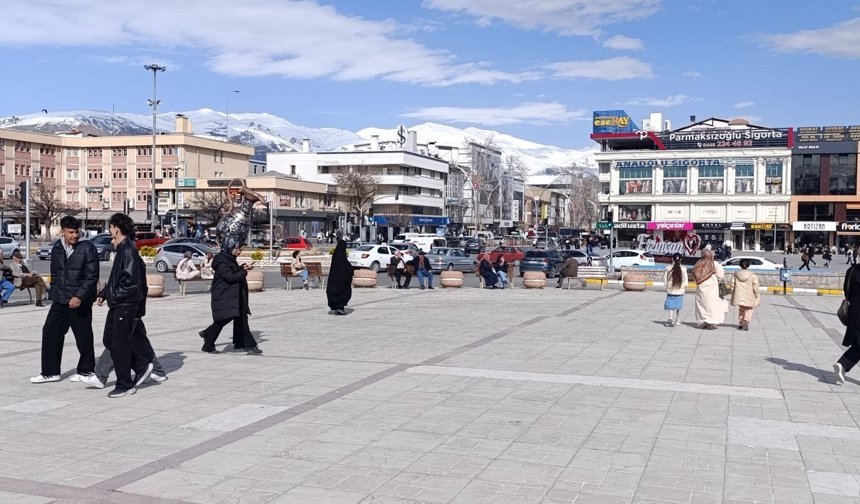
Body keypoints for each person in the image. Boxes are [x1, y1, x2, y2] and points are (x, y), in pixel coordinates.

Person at [31, 216, 100, 385]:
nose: (75, 235)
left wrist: (79, 296)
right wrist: (52, 291)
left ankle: (86, 371)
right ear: (62, 231)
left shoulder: (87, 248)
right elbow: (56, 274)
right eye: (71, 232)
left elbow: (91, 277)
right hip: (60, 300)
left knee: (83, 336)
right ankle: (50, 372)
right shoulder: (57, 248)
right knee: (50, 333)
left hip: (79, 301)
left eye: (77, 232)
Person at [97, 213, 156, 397]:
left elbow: (131, 283)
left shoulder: (129, 251)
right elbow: (117, 279)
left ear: (116, 228)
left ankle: (125, 383)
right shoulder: (122, 249)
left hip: (125, 304)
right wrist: (104, 294)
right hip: (118, 303)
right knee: (109, 339)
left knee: (119, 344)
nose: (109, 231)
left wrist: (113, 295)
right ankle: (140, 365)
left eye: (111, 227)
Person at [199, 242, 262, 355]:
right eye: (238, 249)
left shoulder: (229, 259)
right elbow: (230, 277)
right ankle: (208, 342)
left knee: (241, 320)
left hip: (234, 295)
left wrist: (241, 267)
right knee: (222, 320)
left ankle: (244, 344)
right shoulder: (222, 261)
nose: (239, 252)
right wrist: (244, 272)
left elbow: (233, 271)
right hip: (225, 296)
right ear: (231, 248)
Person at [836, 263, 860, 385]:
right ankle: (843, 364)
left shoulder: (851, 270)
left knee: (858, 344)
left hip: (853, 313)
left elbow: (846, 291)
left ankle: (842, 364)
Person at [691, 248, 726, 330]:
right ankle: (711, 322)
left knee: (701, 305)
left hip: (701, 288)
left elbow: (694, 276)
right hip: (712, 288)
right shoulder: (714, 264)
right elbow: (720, 275)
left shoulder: (698, 264)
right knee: (712, 305)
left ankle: (702, 321)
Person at [729, 258, 760, 331]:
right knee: (749, 308)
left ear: (740, 265)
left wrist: (732, 293)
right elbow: (755, 286)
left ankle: (741, 323)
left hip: (739, 295)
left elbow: (732, 285)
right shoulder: (753, 275)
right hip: (749, 295)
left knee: (741, 309)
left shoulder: (736, 274)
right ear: (749, 265)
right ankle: (746, 321)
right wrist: (756, 294)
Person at [326, 239, 353, 315]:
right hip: (342, 281)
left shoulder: (335, 255)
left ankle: (335, 307)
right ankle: (340, 307)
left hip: (333, 280)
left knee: (335, 292)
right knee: (344, 292)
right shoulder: (342, 255)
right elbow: (346, 267)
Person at [664, 252, 688, 327]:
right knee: (678, 306)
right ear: (681, 259)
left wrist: (667, 286)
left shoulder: (668, 268)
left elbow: (665, 280)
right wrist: (684, 286)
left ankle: (670, 317)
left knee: (671, 304)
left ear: (672, 259)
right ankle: (677, 319)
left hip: (670, 290)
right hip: (679, 290)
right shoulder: (683, 269)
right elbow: (686, 281)